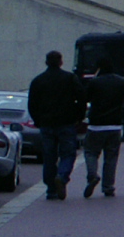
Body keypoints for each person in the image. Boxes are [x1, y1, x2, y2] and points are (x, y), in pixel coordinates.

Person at [26, 51, 86, 200]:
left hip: (46, 123)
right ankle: (62, 175)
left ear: (46, 62)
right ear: (61, 62)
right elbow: (81, 98)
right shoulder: (70, 78)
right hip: (66, 121)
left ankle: (51, 188)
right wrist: (79, 117)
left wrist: (38, 120)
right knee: (68, 153)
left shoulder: (38, 80)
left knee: (49, 156)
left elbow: (32, 103)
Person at [80, 57, 124, 198]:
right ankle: (108, 187)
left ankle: (92, 175)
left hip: (96, 124)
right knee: (111, 157)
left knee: (90, 152)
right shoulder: (122, 82)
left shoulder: (95, 82)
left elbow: (86, 98)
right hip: (115, 124)